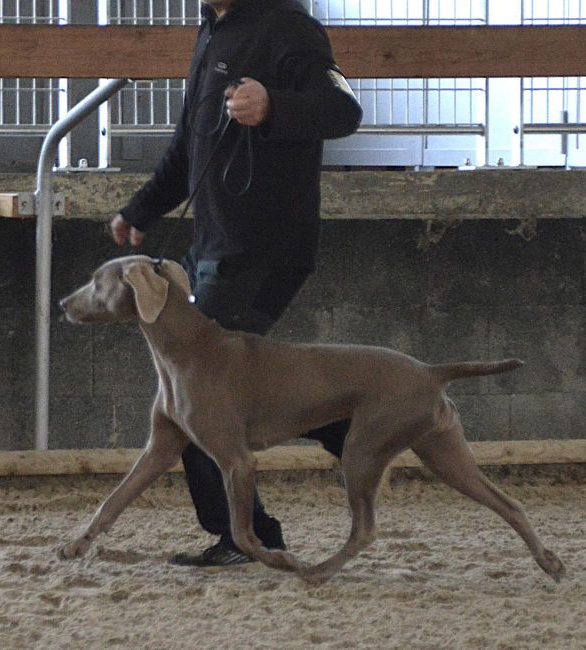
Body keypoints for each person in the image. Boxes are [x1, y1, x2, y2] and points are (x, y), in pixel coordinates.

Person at [110, 0, 362, 566]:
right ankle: (353, 424)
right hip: (213, 246)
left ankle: (247, 535)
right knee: (210, 393)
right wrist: (141, 210)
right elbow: (190, 146)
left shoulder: (288, 25)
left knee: (201, 392)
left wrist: (274, 106)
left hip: (266, 245)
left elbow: (342, 110)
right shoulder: (211, 30)